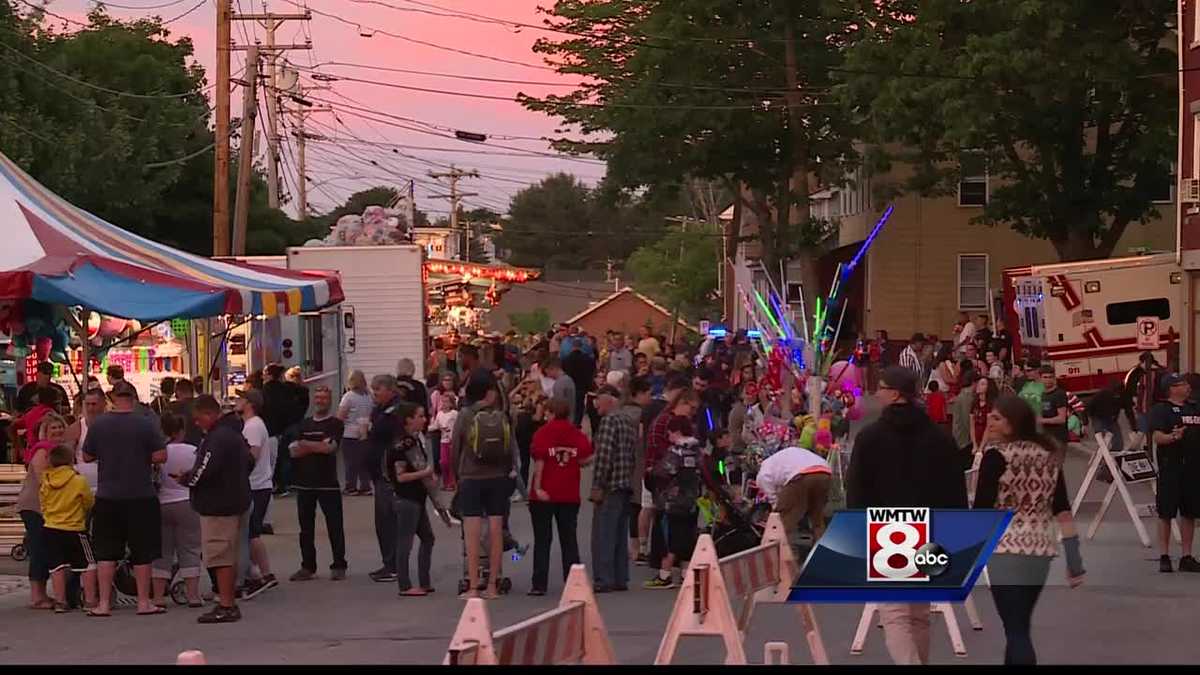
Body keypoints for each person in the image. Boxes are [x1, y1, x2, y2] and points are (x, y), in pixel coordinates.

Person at [846, 366, 968, 665]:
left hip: (886, 529)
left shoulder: (870, 437)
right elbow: (955, 487)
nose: (877, 393)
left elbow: (857, 489)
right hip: (931, 528)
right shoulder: (939, 437)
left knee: (895, 613)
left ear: (895, 394)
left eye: (882, 387)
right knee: (919, 612)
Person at [974, 395, 1086, 664]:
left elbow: (981, 511)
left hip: (1004, 550)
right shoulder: (1048, 456)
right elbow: (1063, 510)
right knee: (1019, 625)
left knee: (1015, 629)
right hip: (1040, 550)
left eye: (997, 417)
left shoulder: (995, 457)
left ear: (1012, 424)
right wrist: (1074, 560)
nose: (989, 419)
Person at [80, 380, 168, 617]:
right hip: (141, 494)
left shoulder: (100, 425)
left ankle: (104, 603)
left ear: (112, 398)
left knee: (106, 552)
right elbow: (160, 456)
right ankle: (143, 602)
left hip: (108, 496)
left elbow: (86, 456)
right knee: (142, 551)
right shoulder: (146, 423)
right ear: (134, 398)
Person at [176, 395, 252, 624]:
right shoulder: (235, 434)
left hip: (219, 505)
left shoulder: (217, 438)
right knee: (228, 553)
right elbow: (250, 462)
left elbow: (204, 468)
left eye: (198, 419)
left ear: (209, 414)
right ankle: (228, 601)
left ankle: (226, 604)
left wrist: (188, 480)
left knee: (220, 556)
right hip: (235, 499)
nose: (197, 424)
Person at [527, 398, 593, 595]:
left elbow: (539, 462)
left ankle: (539, 584)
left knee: (542, 539)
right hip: (568, 493)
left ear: (551, 413)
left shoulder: (542, 433)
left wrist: (538, 488)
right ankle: (573, 582)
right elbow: (585, 458)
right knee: (569, 539)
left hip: (545, 493)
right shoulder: (576, 434)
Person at [288, 385, 348, 582]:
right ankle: (307, 566)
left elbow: (330, 448)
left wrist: (307, 445)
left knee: (335, 525)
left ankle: (339, 565)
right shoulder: (303, 424)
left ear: (330, 401)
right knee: (305, 528)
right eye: (318, 397)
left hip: (328, 484)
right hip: (304, 483)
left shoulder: (335, 424)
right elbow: (293, 451)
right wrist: (316, 445)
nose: (320, 401)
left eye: (324, 398)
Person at [1148, 374, 1200, 573]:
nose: (1188, 387)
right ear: (1172, 388)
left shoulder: (1195, 407)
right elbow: (1157, 437)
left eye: (1187, 384)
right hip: (1171, 467)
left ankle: (1186, 556)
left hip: (1193, 468)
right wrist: (1173, 437)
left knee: (1189, 513)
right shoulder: (1161, 410)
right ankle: (1164, 555)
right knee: (1166, 513)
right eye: (1183, 384)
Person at [39, 444, 98, 613]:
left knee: (57, 566)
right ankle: (89, 600)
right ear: (71, 460)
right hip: (74, 528)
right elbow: (88, 502)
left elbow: (42, 503)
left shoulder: (46, 479)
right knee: (88, 564)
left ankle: (60, 601)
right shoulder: (78, 480)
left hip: (51, 527)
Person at [152, 414, 203, 608]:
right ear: (181, 430)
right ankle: (192, 595)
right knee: (190, 548)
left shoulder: (158, 452)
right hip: (187, 501)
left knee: (162, 551)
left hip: (162, 503)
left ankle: (157, 597)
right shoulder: (192, 451)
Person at [645, 415, 702, 589]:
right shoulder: (697, 450)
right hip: (693, 500)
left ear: (677, 432)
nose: (668, 436)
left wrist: (651, 470)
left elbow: (664, 471)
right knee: (688, 538)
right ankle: (686, 575)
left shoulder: (676, 451)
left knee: (669, 539)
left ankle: (665, 575)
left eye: (670, 433)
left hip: (673, 502)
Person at [386, 403, 437, 596]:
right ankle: (405, 585)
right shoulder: (401, 445)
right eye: (420, 416)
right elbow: (401, 476)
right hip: (406, 499)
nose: (424, 420)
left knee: (428, 538)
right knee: (405, 542)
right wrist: (425, 473)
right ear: (408, 420)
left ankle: (424, 581)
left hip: (416, 498)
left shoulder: (414, 441)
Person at [237, 389, 277, 598]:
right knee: (249, 532)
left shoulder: (252, 426)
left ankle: (265, 573)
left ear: (249, 403)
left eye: (240, 399)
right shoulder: (253, 425)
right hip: (257, 485)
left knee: (252, 533)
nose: (237, 401)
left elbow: (251, 457)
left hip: (255, 486)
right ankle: (254, 573)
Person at [756, 444, 833, 551]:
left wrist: (775, 504)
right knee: (817, 518)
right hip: (824, 472)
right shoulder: (782, 459)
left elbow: (764, 479)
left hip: (801, 475)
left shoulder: (765, 468)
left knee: (782, 521)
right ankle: (821, 551)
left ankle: (780, 555)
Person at [367, 375, 404, 583]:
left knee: (389, 520)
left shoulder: (394, 412)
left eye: (378, 389)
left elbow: (388, 435)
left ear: (390, 390)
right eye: (373, 389)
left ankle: (394, 565)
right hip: (378, 474)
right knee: (382, 521)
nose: (374, 393)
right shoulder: (380, 410)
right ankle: (388, 562)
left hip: (388, 474)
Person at [15, 420, 54, 610]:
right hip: (34, 506)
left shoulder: (56, 450)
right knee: (39, 548)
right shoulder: (43, 451)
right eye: (52, 427)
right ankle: (36, 596)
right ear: (43, 432)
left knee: (44, 547)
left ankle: (42, 593)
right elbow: (43, 480)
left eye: (60, 426)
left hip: (46, 507)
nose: (57, 430)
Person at [622, 377, 652, 567]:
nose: (650, 397)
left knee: (632, 507)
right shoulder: (640, 415)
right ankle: (637, 548)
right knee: (638, 506)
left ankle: (632, 547)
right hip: (638, 463)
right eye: (648, 394)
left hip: (627, 464)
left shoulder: (623, 412)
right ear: (639, 394)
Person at [336, 370, 374, 496]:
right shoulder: (368, 396)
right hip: (365, 432)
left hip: (350, 434)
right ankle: (365, 486)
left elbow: (341, 416)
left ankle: (350, 486)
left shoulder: (349, 396)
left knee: (350, 462)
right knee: (364, 461)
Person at [1124, 351, 1164, 436]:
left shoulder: (1136, 371)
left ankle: (1146, 444)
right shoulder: (1161, 371)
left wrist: (1133, 400)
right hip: (1155, 404)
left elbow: (1129, 388)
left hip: (1142, 405)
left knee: (1142, 429)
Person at [434, 393, 461, 491]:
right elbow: (435, 425)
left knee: (451, 462)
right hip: (443, 441)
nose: (444, 404)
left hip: (452, 440)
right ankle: (445, 482)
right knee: (443, 462)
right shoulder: (439, 414)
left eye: (447, 402)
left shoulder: (454, 413)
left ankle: (452, 483)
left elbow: (458, 426)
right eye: (443, 401)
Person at [1038, 367, 1069, 445]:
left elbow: (1062, 419)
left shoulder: (1059, 394)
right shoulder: (1042, 394)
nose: (1048, 380)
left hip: (1058, 437)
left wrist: (1042, 420)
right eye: (1045, 377)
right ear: (1040, 379)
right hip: (1045, 436)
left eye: (1050, 377)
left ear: (1054, 378)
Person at [543, 357, 577, 426]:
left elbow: (558, 407)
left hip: (562, 422)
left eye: (548, 373)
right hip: (571, 418)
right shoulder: (569, 380)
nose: (549, 376)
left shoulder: (559, 384)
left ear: (553, 369)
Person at [169, 378, 204, 446]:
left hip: (177, 448)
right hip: (198, 448)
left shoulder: (172, 408)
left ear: (178, 392)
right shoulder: (201, 405)